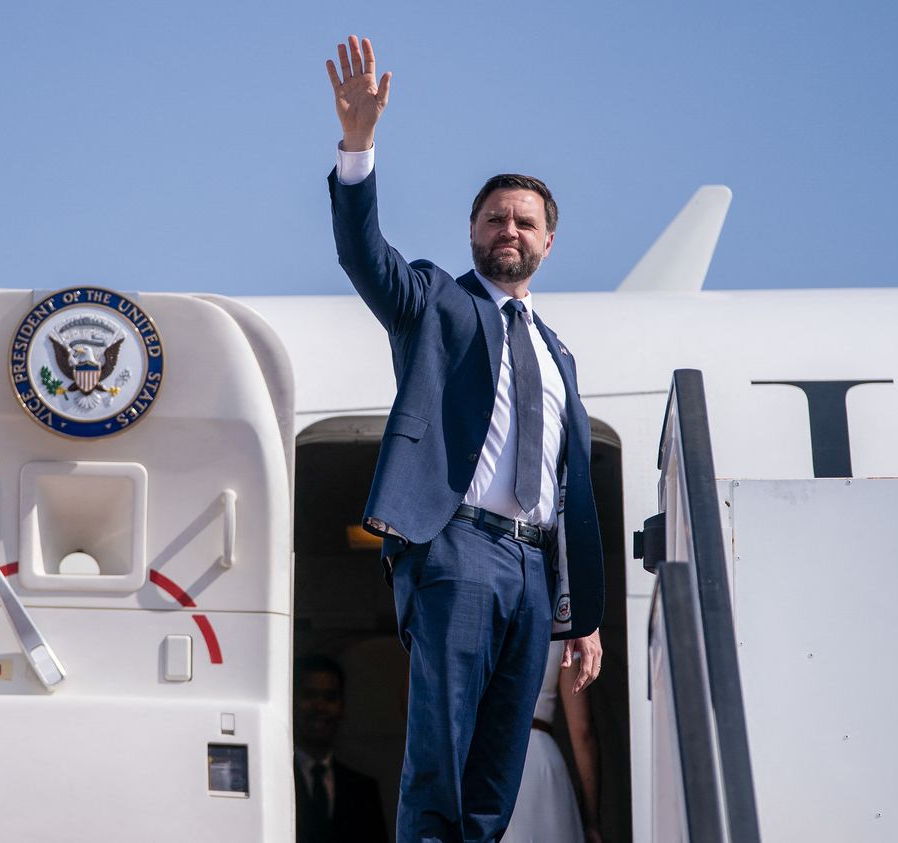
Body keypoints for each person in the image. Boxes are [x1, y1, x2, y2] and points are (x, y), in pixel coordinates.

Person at [325, 35, 606, 843]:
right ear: (473, 230)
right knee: (440, 761)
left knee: (496, 777)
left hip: (531, 569)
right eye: (494, 218)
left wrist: (581, 613)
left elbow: (569, 489)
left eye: (525, 221)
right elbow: (362, 254)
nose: (509, 230)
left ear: (549, 240)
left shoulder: (559, 356)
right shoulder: (437, 303)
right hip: (458, 549)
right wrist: (358, 144)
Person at [501, 643, 603, 843]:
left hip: (490, 758)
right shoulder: (565, 620)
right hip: (540, 763)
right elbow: (582, 731)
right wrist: (592, 820)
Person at [294, 653, 390, 843]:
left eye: (329, 697)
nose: (319, 707)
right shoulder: (273, 781)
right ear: (291, 702)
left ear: (342, 707)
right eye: (309, 695)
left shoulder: (363, 790)